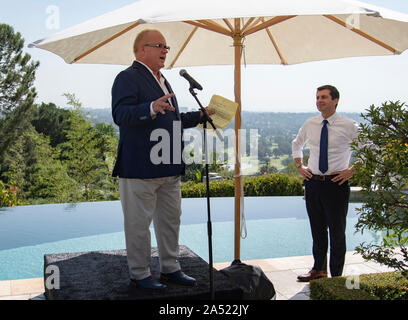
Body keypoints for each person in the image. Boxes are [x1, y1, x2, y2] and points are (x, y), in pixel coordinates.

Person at [111, 29, 213, 289]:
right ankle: (140, 274)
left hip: (169, 165)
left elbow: (173, 120)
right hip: (139, 167)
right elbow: (120, 114)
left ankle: (170, 268)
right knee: (138, 225)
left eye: (167, 47)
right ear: (141, 49)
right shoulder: (127, 77)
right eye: (160, 46)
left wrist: (201, 115)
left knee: (170, 221)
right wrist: (150, 108)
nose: (165, 51)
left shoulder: (164, 81)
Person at [291, 85, 359, 282]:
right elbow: (297, 144)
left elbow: (368, 148)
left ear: (335, 100)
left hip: (336, 185)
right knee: (317, 230)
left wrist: (351, 171)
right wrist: (299, 166)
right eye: (317, 97)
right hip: (313, 183)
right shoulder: (311, 123)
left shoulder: (349, 125)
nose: (319, 100)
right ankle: (318, 271)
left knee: (337, 233)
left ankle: (336, 277)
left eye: (324, 97)